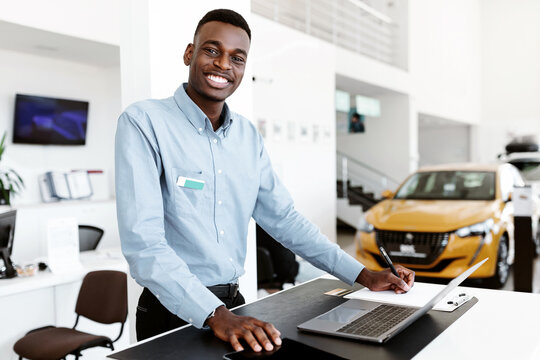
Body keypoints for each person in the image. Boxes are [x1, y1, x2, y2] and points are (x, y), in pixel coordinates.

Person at [115, 8, 414, 353]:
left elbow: (285, 220)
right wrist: (213, 314)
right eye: (212, 50)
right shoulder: (143, 122)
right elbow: (144, 245)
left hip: (234, 304)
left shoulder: (246, 136)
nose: (223, 64)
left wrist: (363, 275)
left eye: (237, 58)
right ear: (189, 53)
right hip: (172, 311)